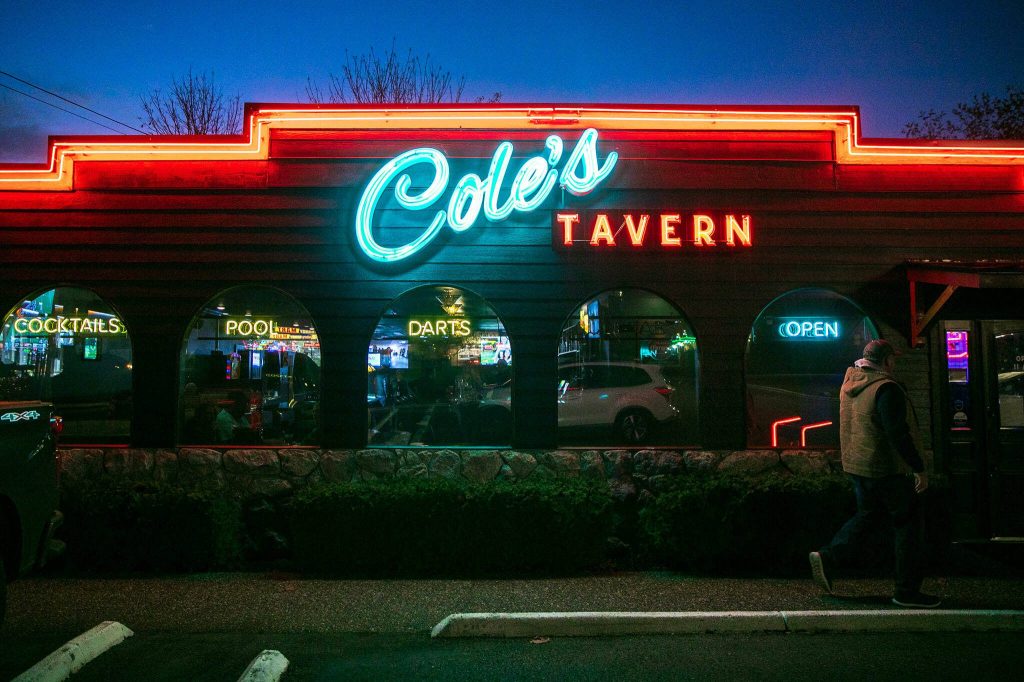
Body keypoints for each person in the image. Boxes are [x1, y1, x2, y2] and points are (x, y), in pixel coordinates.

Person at [809, 339, 941, 608]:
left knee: (868, 516)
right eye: (894, 359)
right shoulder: (886, 388)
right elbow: (897, 432)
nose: (895, 364)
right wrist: (918, 467)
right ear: (886, 360)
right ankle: (907, 592)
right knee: (909, 527)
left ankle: (829, 557)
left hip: (860, 466)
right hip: (887, 468)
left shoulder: (850, 384)